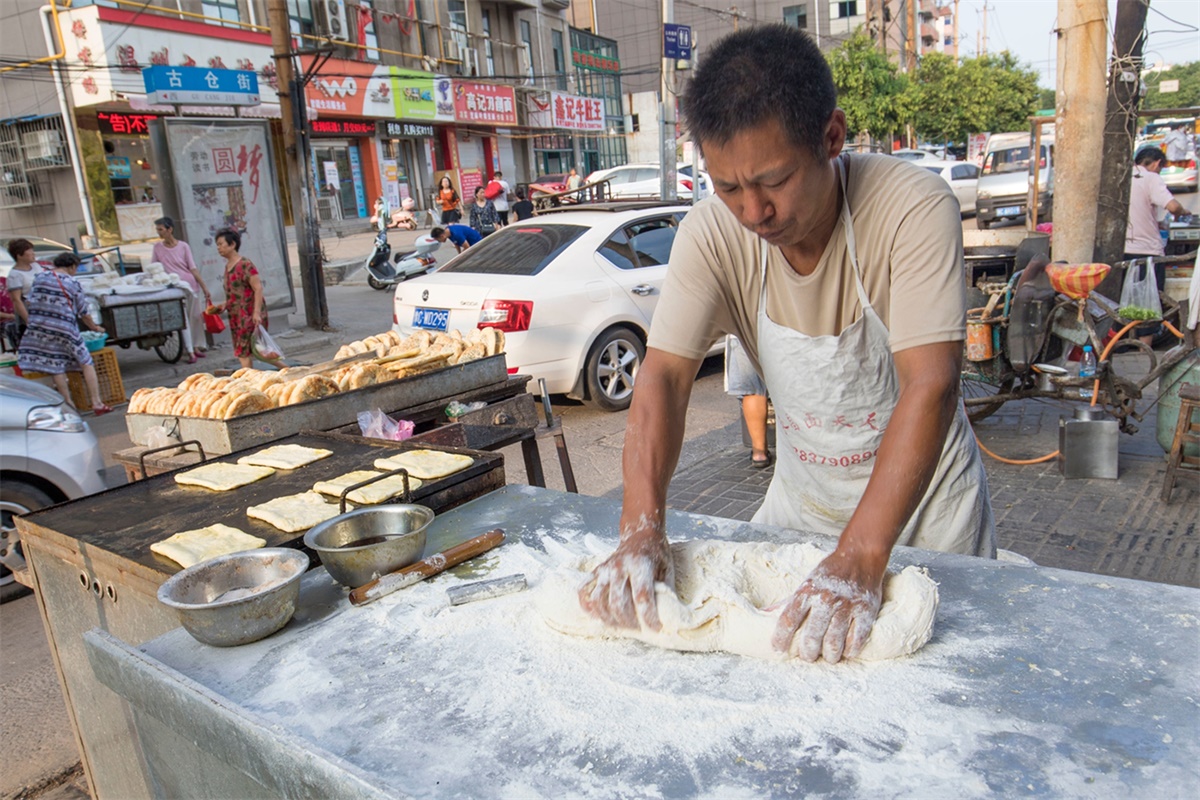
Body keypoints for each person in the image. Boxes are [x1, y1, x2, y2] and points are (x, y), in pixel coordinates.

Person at [579, 25, 994, 664]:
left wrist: (860, 556)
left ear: (831, 137)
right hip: (801, 510)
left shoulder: (910, 208)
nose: (753, 213)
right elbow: (662, 378)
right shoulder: (712, 235)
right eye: (728, 187)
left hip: (928, 520)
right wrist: (641, 526)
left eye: (774, 180)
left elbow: (931, 384)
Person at [16, 253, 111, 414]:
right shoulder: (72, 282)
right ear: (72, 266)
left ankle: (68, 404)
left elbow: (30, 300)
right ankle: (97, 403)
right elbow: (83, 312)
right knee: (86, 361)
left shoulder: (40, 277)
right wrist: (95, 327)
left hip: (41, 327)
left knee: (56, 364)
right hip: (64, 327)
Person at [1124, 146, 1187, 345]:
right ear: (1157, 163)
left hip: (1123, 249)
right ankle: (1145, 347)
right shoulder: (1151, 178)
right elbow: (1173, 206)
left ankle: (1124, 342)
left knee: (1127, 299)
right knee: (1148, 300)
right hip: (1147, 249)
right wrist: (1183, 211)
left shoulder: (1124, 176)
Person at [206, 228, 285, 370]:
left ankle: (248, 378)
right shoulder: (228, 267)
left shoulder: (245, 264)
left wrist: (256, 313)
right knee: (258, 351)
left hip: (248, 314)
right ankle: (287, 369)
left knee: (244, 351)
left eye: (221, 244)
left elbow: (258, 288)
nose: (218, 248)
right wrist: (223, 305)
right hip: (236, 315)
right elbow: (236, 293)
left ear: (232, 244)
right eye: (217, 245)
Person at [152, 216, 212, 364]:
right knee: (182, 319)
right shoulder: (157, 248)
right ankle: (187, 348)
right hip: (174, 288)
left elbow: (192, 268)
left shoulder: (183, 246)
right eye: (158, 230)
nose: (159, 232)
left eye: (161, 229)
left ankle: (196, 346)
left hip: (190, 285)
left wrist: (204, 287)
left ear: (170, 229)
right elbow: (154, 268)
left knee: (195, 317)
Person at [724, 334, 771, 467]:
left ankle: (759, 453)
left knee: (753, 390)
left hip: (743, 333)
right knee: (791, 386)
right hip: (783, 329)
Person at [6, 238, 44, 347]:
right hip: (31, 312)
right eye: (29, 250)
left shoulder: (36, 267)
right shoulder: (15, 275)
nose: (33, 253)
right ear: (19, 255)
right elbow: (16, 300)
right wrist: (28, 320)